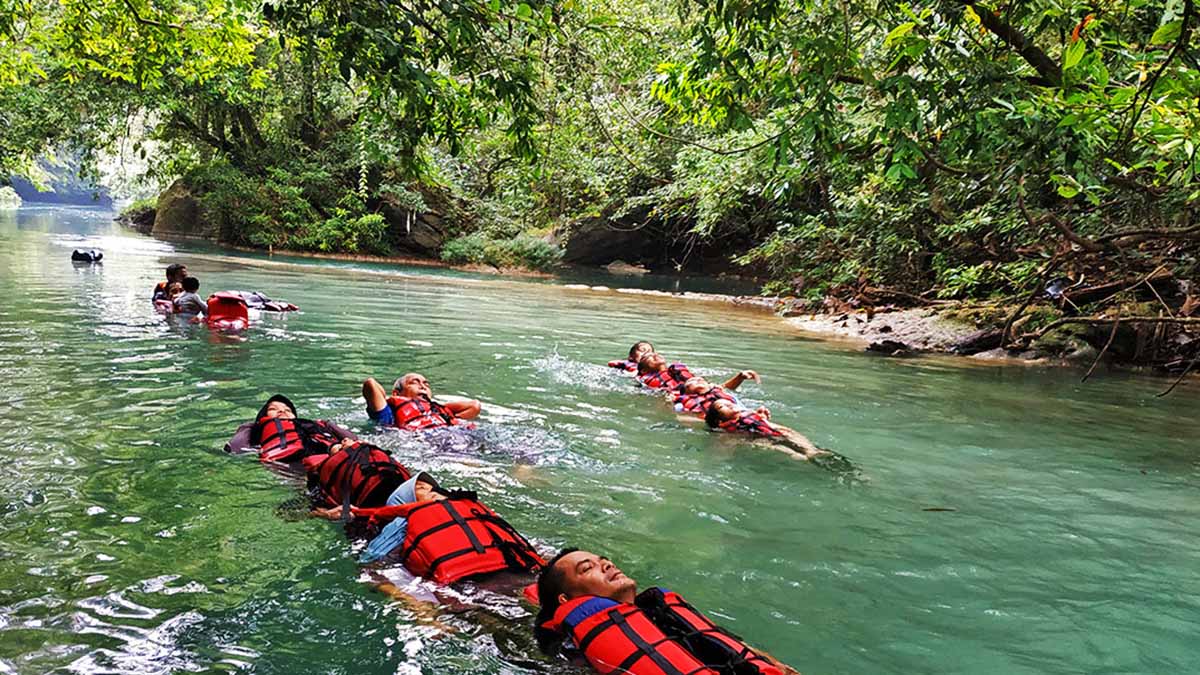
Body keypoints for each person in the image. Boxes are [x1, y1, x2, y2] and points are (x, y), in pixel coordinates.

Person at [533, 549, 800, 675]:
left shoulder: (663, 612)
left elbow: (730, 646)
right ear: (566, 599)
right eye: (587, 568)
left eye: (603, 559)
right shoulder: (575, 652)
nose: (606, 565)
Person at [329, 472, 545, 585]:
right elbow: (371, 568)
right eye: (419, 488)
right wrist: (417, 607)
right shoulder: (403, 524)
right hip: (470, 587)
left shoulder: (473, 511)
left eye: (431, 486)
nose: (430, 488)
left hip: (522, 575)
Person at [225, 394, 358, 464]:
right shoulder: (256, 429)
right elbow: (235, 448)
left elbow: (354, 439)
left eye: (288, 410)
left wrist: (328, 425)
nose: (282, 411)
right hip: (290, 465)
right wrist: (250, 427)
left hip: (331, 456)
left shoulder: (315, 425)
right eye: (273, 409)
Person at [704, 399, 827, 460]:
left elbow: (760, 423)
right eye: (722, 406)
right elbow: (723, 448)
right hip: (754, 437)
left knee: (788, 433)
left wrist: (762, 418)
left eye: (729, 402)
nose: (729, 404)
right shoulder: (726, 431)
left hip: (771, 431)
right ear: (719, 421)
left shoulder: (748, 414)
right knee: (769, 443)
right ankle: (794, 454)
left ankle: (811, 450)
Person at [361, 374, 481, 430]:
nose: (423, 387)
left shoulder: (441, 412)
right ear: (397, 393)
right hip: (424, 442)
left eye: (426, 384)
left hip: (456, 437)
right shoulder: (388, 414)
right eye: (414, 382)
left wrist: (434, 408)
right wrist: (391, 400)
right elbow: (370, 384)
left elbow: (474, 406)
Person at [672, 372, 759, 415]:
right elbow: (679, 417)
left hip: (744, 415)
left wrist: (740, 376)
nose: (698, 380)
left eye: (702, 380)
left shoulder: (718, 391)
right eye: (692, 381)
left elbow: (727, 387)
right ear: (685, 392)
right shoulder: (682, 404)